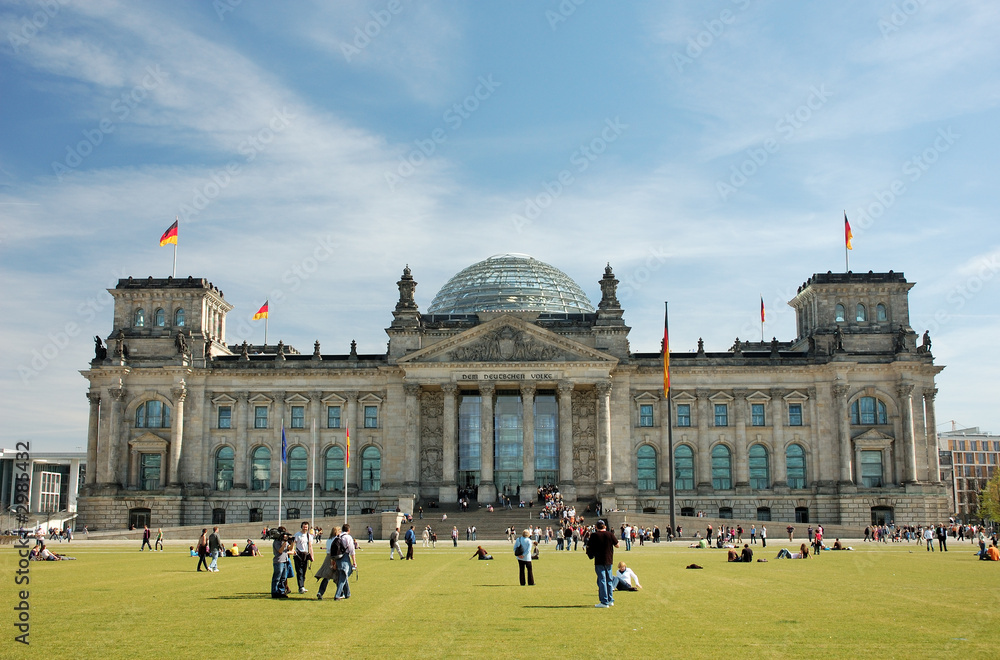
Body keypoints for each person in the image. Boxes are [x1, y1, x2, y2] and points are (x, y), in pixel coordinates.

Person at [587, 520, 619, 607]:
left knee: (602, 580)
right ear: (604, 526)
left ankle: (604, 601)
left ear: (596, 527)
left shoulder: (594, 535)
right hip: (609, 560)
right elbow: (617, 545)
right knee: (609, 580)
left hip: (599, 560)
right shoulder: (610, 534)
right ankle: (610, 600)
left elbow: (589, 546)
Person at [333, 523, 358, 600]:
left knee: (343, 574)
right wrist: (354, 561)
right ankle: (337, 595)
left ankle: (347, 593)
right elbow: (352, 550)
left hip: (337, 557)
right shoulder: (348, 537)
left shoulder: (338, 537)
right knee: (344, 576)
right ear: (349, 530)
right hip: (345, 557)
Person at [314, 525, 339, 600]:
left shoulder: (329, 539)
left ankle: (320, 592)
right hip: (334, 558)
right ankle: (340, 593)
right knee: (337, 577)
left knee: (326, 577)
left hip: (328, 557)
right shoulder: (336, 539)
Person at [293, 521, 314, 593]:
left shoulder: (309, 536)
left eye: (306, 527)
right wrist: (293, 551)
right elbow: (293, 543)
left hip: (305, 555)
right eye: (304, 527)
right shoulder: (297, 535)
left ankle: (302, 586)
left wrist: (312, 556)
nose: (305, 528)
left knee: (304, 571)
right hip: (298, 554)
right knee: (299, 571)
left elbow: (310, 546)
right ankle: (300, 587)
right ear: (301, 527)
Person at [271, 526, 291, 598]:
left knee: (283, 577)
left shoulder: (284, 542)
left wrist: (292, 542)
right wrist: (285, 542)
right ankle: (274, 591)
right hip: (279, 561)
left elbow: (290, 548)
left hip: (285, 560)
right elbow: (280, 551)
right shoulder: (276, 542)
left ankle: (281, 591)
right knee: (277, 577)